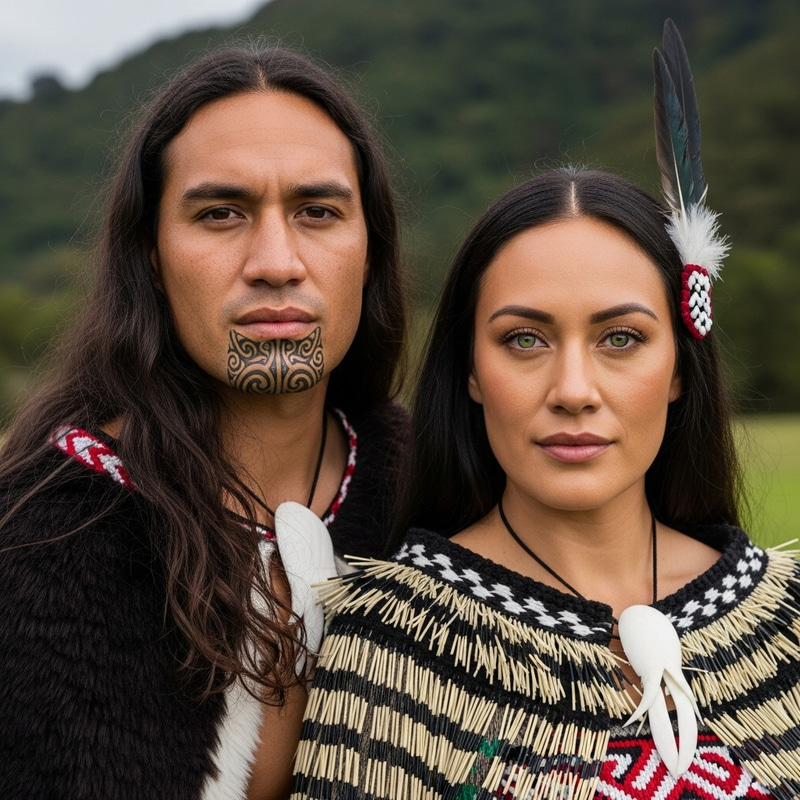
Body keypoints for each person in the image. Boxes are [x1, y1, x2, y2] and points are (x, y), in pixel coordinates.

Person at [291, 19, 800, 791]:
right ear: (469, 370)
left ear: (679, 370)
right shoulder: (388, 647)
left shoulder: (786, 617)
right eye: (524, 340)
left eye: (621, 338)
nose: (572, 390)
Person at [0, 44, 408, 800]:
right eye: (221, 213)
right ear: (151, 254)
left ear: (370, 249)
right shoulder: (28, 549)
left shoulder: (446, 500)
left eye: (318, 212)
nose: (276, 261)